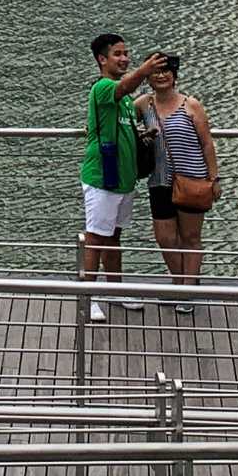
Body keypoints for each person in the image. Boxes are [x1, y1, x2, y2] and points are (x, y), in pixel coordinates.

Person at [79, 34, 170, 321]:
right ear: (101, 60)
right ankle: (87, 296)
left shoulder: (127, 102)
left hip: (123, 179)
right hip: (103, 178)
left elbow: (122, 121)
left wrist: (143, 136)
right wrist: (145, 70)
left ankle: (115, 290)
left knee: (114, 236)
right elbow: (123, 87)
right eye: (117, 54)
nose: (124, 58)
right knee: (96, 237)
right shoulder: (103, 88)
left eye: (126, 53)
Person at [143, 52, 220, 314]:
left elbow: (207, 143)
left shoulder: (191, 105)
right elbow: (119, 118)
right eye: (156, 72)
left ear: (175, 75)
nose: (162, 76)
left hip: (193, 179)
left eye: (167, 71)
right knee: (164, 237)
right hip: (159, 181)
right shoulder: (143, 105)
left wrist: (213, 178)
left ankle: (186, 290)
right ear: (148, 77)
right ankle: (181, 283)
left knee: (190, 237)